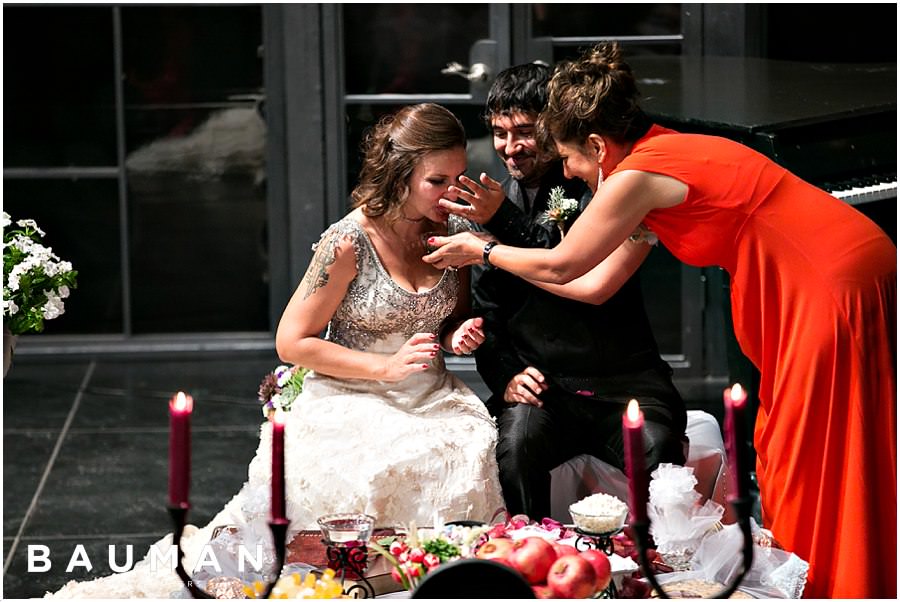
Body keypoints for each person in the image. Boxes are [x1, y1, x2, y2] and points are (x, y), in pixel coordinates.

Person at [424, 43, 896, 599]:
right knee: (802, 433)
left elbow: (562, 261)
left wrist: (482, 251)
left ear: (598, 147)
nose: (569, 172)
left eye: (571, 159)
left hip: (818, 274)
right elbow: (594, 285)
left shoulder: (636, 175)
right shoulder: (662, 156)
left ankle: (840, 581)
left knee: (813, 435)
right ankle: (832, 570)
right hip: (828, 262)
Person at [50, 103, 505, 598]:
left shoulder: (454, 230)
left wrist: (456, 334)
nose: (450, 194)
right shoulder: (349, 242)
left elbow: (449, 317)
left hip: (430, 393)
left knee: (467, 445)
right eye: (437, 181)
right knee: (366, 465)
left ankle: (430, 582)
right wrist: (385, 368)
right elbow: (292, 341)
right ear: (399, 175)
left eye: (457, 178)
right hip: (351, 390)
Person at [463, 62, 687, 522]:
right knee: (516, 447)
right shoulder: (492, 205)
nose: (510, 148)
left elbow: (570, 261)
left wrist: (501, 222)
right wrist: (506, 375)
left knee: (657, 448)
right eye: (499, 133)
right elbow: (487, 318)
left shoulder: (597, 185)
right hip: (547, 389)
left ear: (553, 124)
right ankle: (531, 560)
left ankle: (663, 570)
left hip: (622, 381)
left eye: (523, 131)